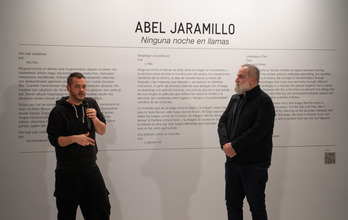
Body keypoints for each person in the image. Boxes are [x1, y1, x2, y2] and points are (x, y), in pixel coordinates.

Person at [47, 72, 111, 220]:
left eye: (84, 86)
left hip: (91, 169)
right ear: (68, 88)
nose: (81, 90)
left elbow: (102, 130)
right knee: (66, 214)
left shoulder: (91, 103)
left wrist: (94, 118)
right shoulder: (58, 111)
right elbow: (54, 139)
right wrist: (74, 139)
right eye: (77, 87)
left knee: (102, 211)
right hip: (67, 172)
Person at [218, 64, 275, 220]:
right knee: (232, 206)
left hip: (254, 165)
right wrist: (225, 145)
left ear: (253, 79)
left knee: (257, 208)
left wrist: (234, 146)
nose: (236, 80)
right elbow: (222, 122)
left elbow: (258, 130)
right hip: (232, 162)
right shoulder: (235, 99)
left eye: (241, 76)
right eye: (237, 76)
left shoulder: (264, 101)